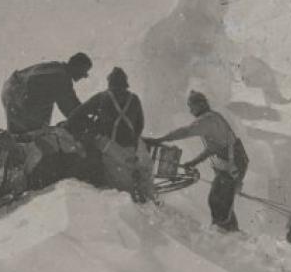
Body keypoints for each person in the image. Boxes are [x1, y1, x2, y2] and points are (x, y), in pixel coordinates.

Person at [153, 91, 248, 232]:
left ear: (201, 104)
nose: (190, 110)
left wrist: (162, 139)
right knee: (221, 198)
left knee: (217, 199)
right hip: (232, 162)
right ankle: (229, 230)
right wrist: (194, 162)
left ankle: (224, 232)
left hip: (232, 164)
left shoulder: (207, 120)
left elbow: (186, 131)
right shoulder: (213, 117)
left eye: (192, 106)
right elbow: (213, 148)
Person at [65, 67, 155, 203]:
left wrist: (90, 127)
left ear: (110, 83)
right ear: (125, 83)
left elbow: (75, 115)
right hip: (131, 147)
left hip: (109, 146)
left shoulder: (102, 97)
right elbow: (140, 125)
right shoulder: (134, 99)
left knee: (117, 189)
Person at [1, 53, 92, 134]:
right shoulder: (61, 77)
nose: (83, 76)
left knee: (28, 131)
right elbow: (69, 107)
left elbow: (71, 103)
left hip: (12, 89)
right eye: (83, 71)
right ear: (76, 66)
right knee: (35, 133)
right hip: (18, 92)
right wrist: (86, 120)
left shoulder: (57, 68)